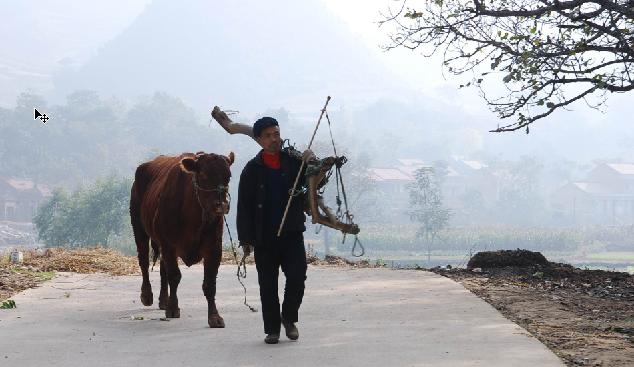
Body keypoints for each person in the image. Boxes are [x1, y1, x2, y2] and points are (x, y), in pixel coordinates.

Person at [237, 116, 316, 344]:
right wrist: (246, 239)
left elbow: (313, 182)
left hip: (291, 233)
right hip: (264, 238)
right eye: (269, 136)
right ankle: (272, 329)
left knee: (297, 276)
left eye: (277, 134)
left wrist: (311, 161)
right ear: (259, 140)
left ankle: (288, 318)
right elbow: (244, 208)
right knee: (268, 285)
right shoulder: (252, 170)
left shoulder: (293, 162)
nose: (275, 139)